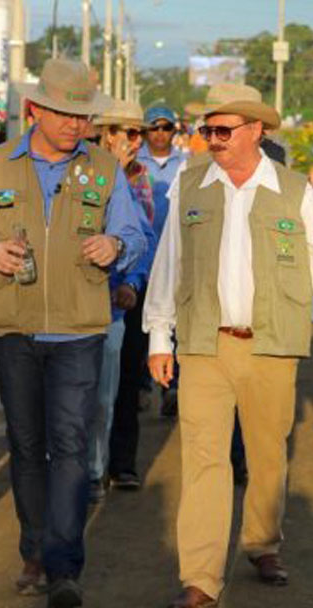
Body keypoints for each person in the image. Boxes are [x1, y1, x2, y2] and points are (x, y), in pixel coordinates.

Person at [144, 83, 313, 608]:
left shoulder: (293, 191)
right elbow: (169, 263)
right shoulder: (190, 185)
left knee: (268, 453)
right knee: (203, 460)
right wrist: (158, 335)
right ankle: (200, 575)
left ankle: (263, 543)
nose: (213, 140)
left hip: (270, 345)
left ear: (256, 131)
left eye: (224, 130)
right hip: (203, 344)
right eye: (208, 130)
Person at [0, 59, 146, 608]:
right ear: (36, 110)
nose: (74, 125)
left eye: (83, 116)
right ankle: (32, 548)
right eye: (64, 113)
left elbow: (135, 234)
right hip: (14, 328)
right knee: (26, 444)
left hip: (81, 328)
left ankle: (62, 564)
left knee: (70, 445)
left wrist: (116, 246)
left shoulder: (105, 167)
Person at [88, 100, 156, 501]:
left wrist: (133, 279)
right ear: (107, 134)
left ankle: (101, 469)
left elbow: (142, 239)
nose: (136, 141)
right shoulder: (82, 172)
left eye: (138, 134)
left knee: (108, 395)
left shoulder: (140, 181)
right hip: (70, 303)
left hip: (116, 302)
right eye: (128, 133)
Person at [136, 105, 187, 419]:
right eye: (153, 127)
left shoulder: (187, 165)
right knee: (142, 328)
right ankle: (142, 385)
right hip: (141, 259)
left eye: (166, 127)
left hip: (174, 260)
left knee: (175, 326)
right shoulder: (133, 163)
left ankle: (173, 386)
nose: (159, 133)